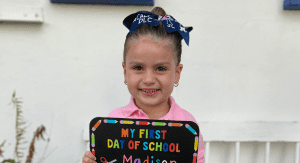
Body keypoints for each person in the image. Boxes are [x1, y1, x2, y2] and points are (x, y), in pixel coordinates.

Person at [82, 6, 205, 163]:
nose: (148, 79)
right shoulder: (113, 122)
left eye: (160, 68)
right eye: (138, 68)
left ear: (177, 73)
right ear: (125, 71)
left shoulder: (187, 127)